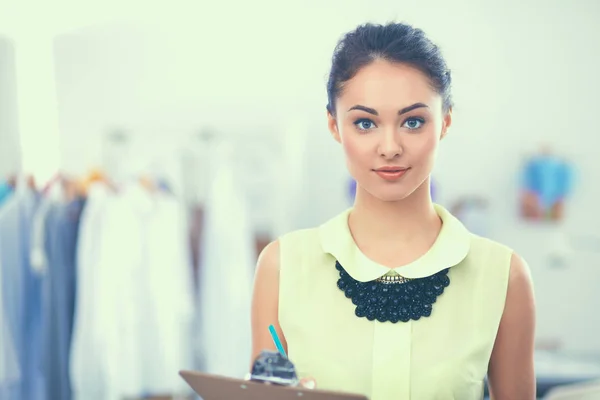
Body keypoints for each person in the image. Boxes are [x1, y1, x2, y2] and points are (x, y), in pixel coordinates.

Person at [251, 22, 536, 400]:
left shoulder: (504, 275)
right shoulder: (282, 266)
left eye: (413, 122)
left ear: (445, 122)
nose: (389, 147)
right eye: (365, 123)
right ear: (334, 125)